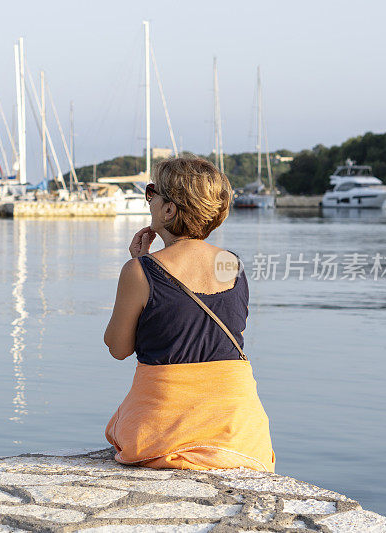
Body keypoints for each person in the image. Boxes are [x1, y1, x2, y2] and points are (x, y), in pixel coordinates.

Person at [103, 157, 275, 472]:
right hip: (239, 436)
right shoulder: (232, 264)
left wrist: (139, 265)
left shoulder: (140, 272)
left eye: (151, 192)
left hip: (160, 436)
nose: (149, 199)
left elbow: (118, 348)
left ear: (168, 210)